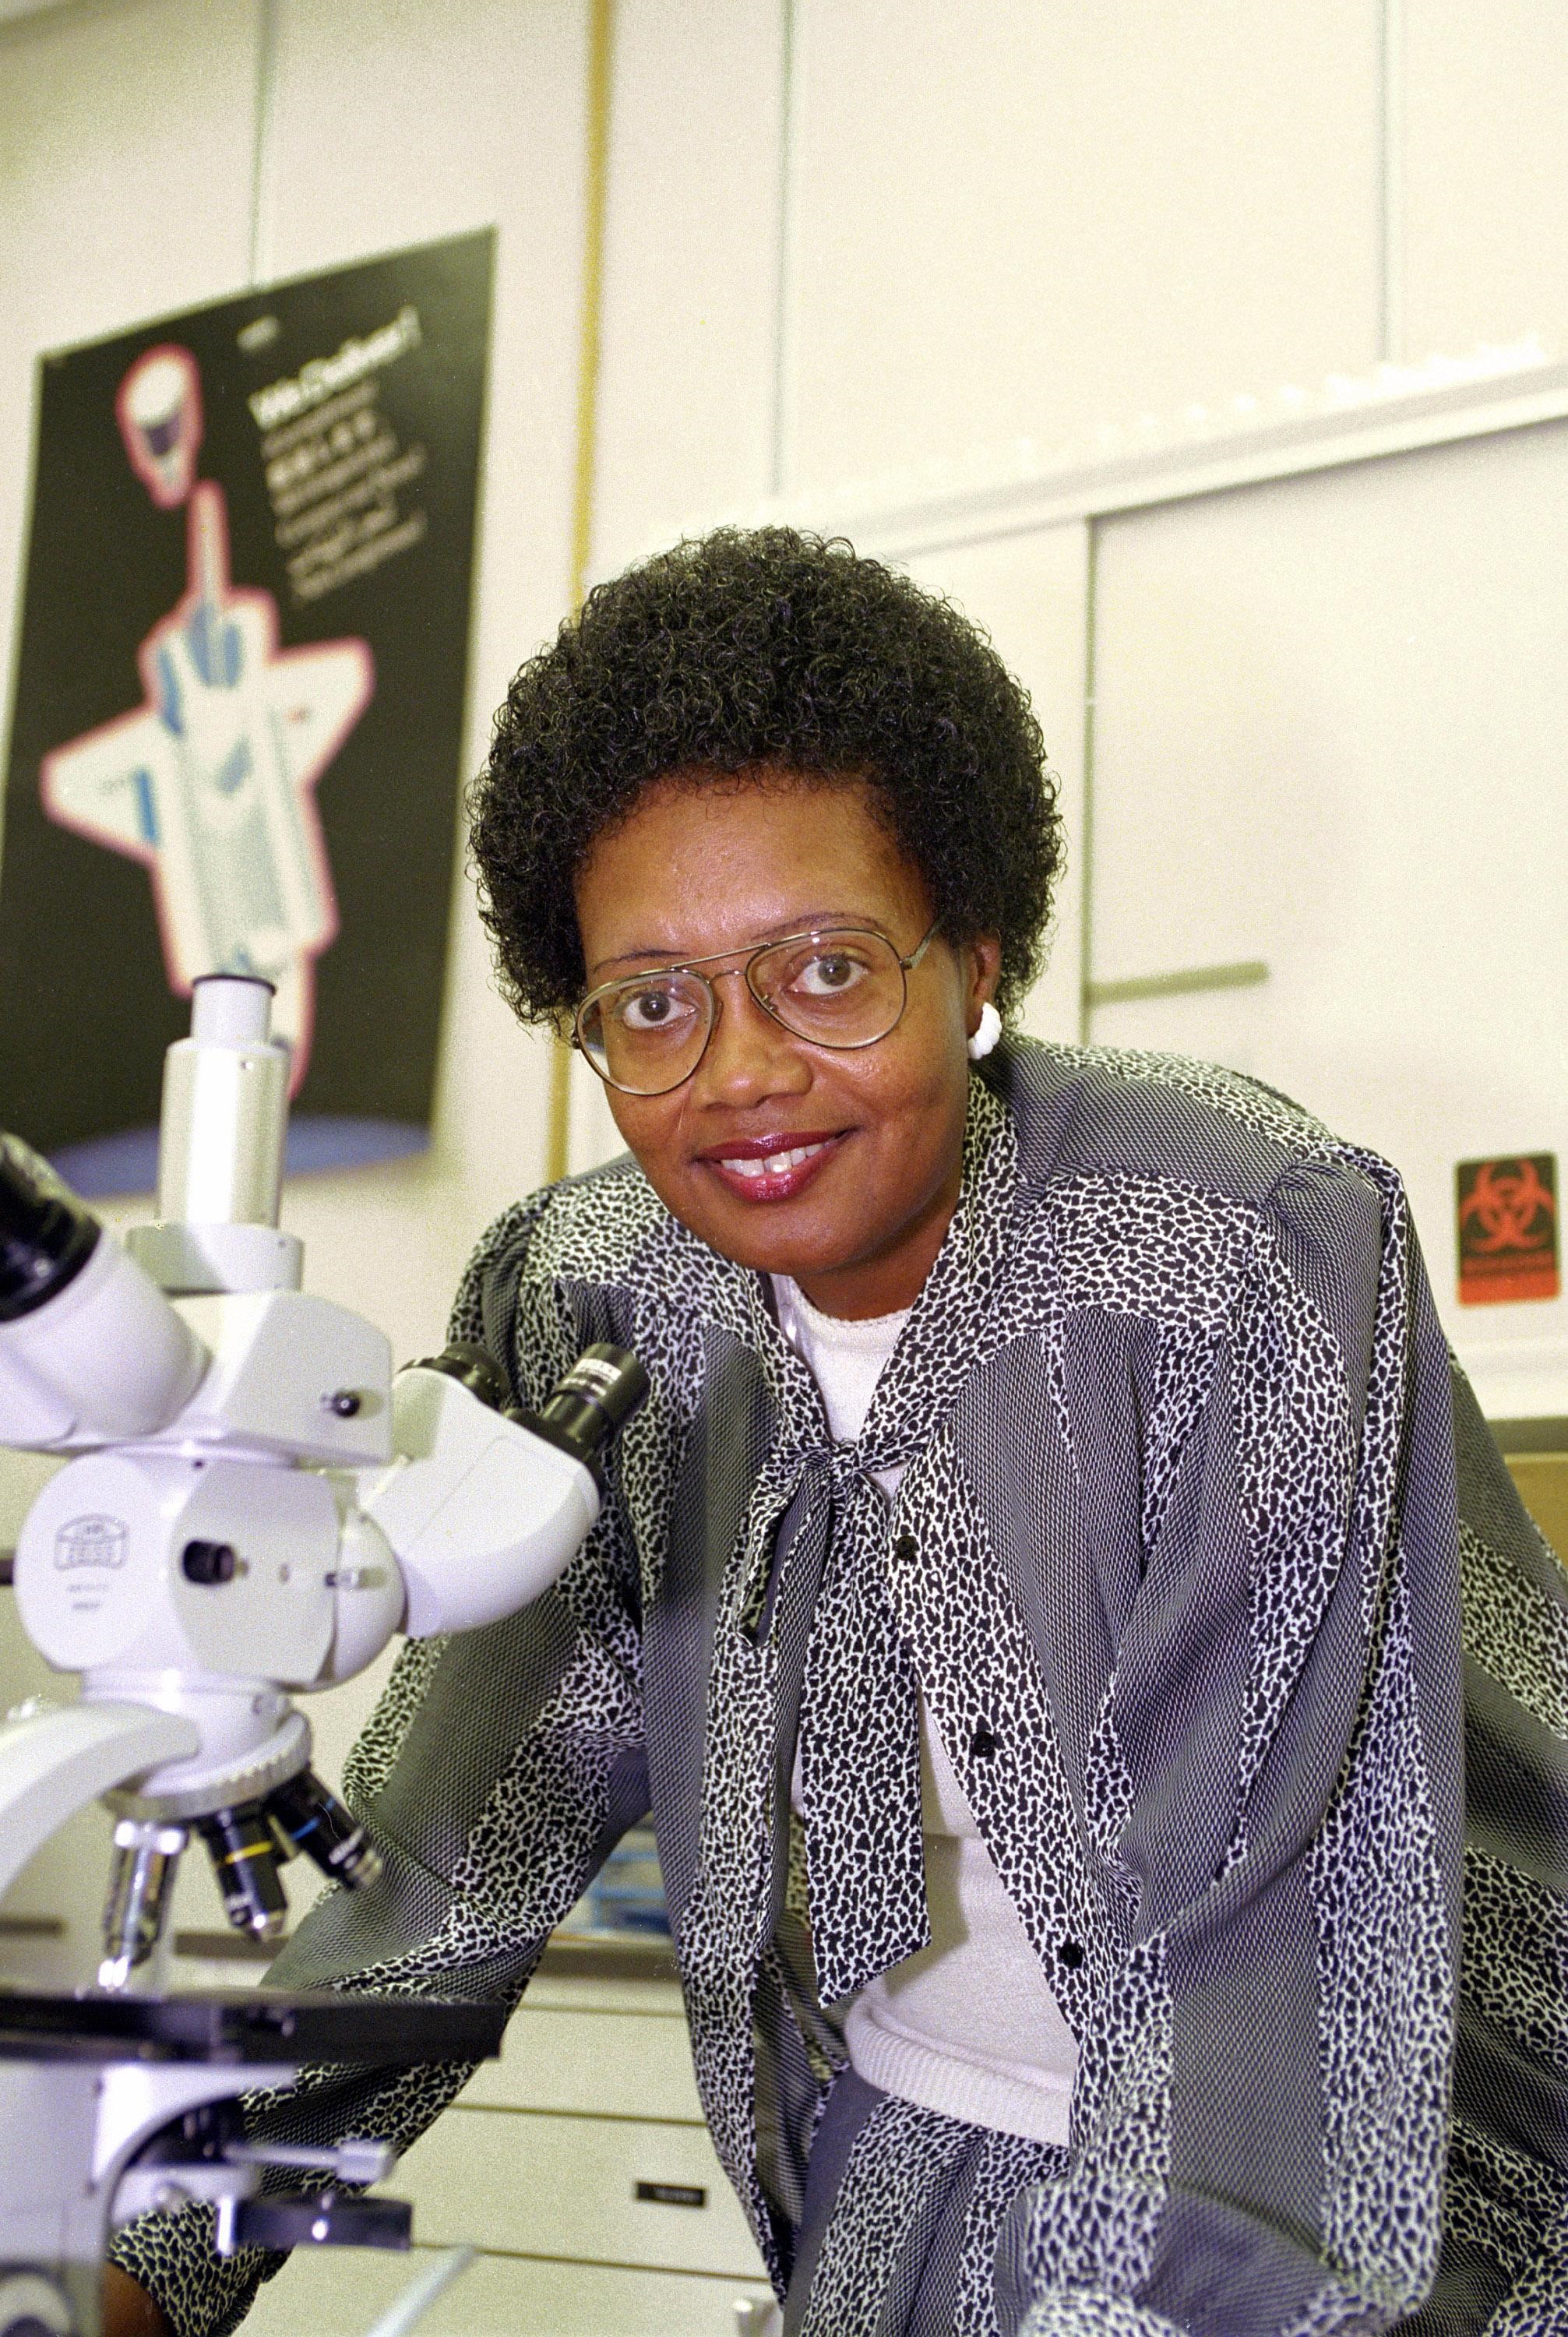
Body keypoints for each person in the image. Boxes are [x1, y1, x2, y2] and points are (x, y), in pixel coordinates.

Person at [107, 529, 1568, 2337]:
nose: (738, 1073)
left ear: (977, 953)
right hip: (913, 2147)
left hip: (1398, 2166)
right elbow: (443, 1864)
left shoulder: (1229, 1252)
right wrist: (151, 2255)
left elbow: (1259, 1995)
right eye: (652, 1003)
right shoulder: (600, 1314)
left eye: (822, 970)